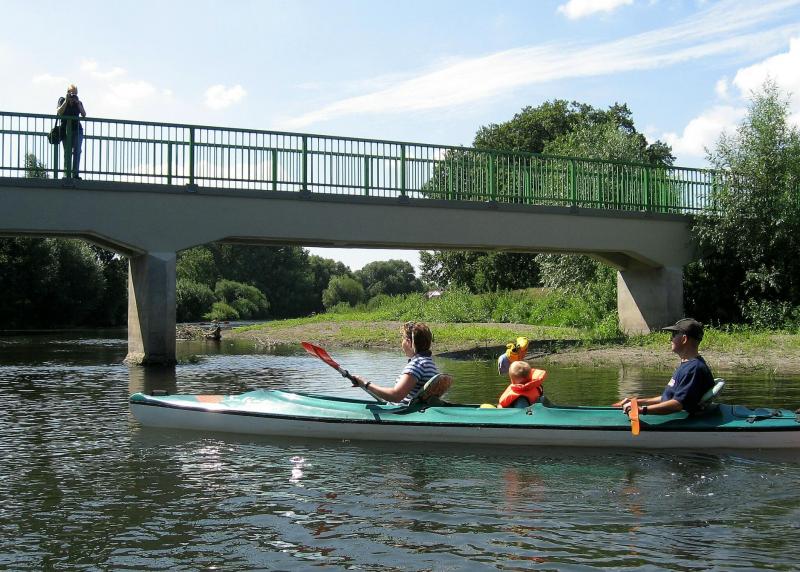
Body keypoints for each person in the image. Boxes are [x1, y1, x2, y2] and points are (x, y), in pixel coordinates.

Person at [616, 318, 715, 416]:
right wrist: (636, 402)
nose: (670, 339)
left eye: (674, 335)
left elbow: (677, 404)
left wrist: (642, 410)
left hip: (685, 422)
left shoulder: (694, 369)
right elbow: (668, 397)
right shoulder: (688, 365)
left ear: (684, 339)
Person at [351, 321, 438, 405]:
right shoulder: (429, 363)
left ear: (408, 342)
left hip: (401, 411)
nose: (402, 342)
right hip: (415, 409)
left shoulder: (417, 365)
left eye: (403, 339)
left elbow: (396, 396)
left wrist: (365, 384)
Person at [56, 84, 86, 179]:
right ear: (67, 92)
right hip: (65, 130)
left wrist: (78, 103)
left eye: (75, 93)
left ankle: (75, 174)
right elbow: (59, 112)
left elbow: (83, 114)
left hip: (77, 130)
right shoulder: (62, 100)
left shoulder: (78, 102)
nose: (73, 95)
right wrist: (66, 101)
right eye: (71, 93)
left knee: (77, 151)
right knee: (67, 152)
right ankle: (67, 174)